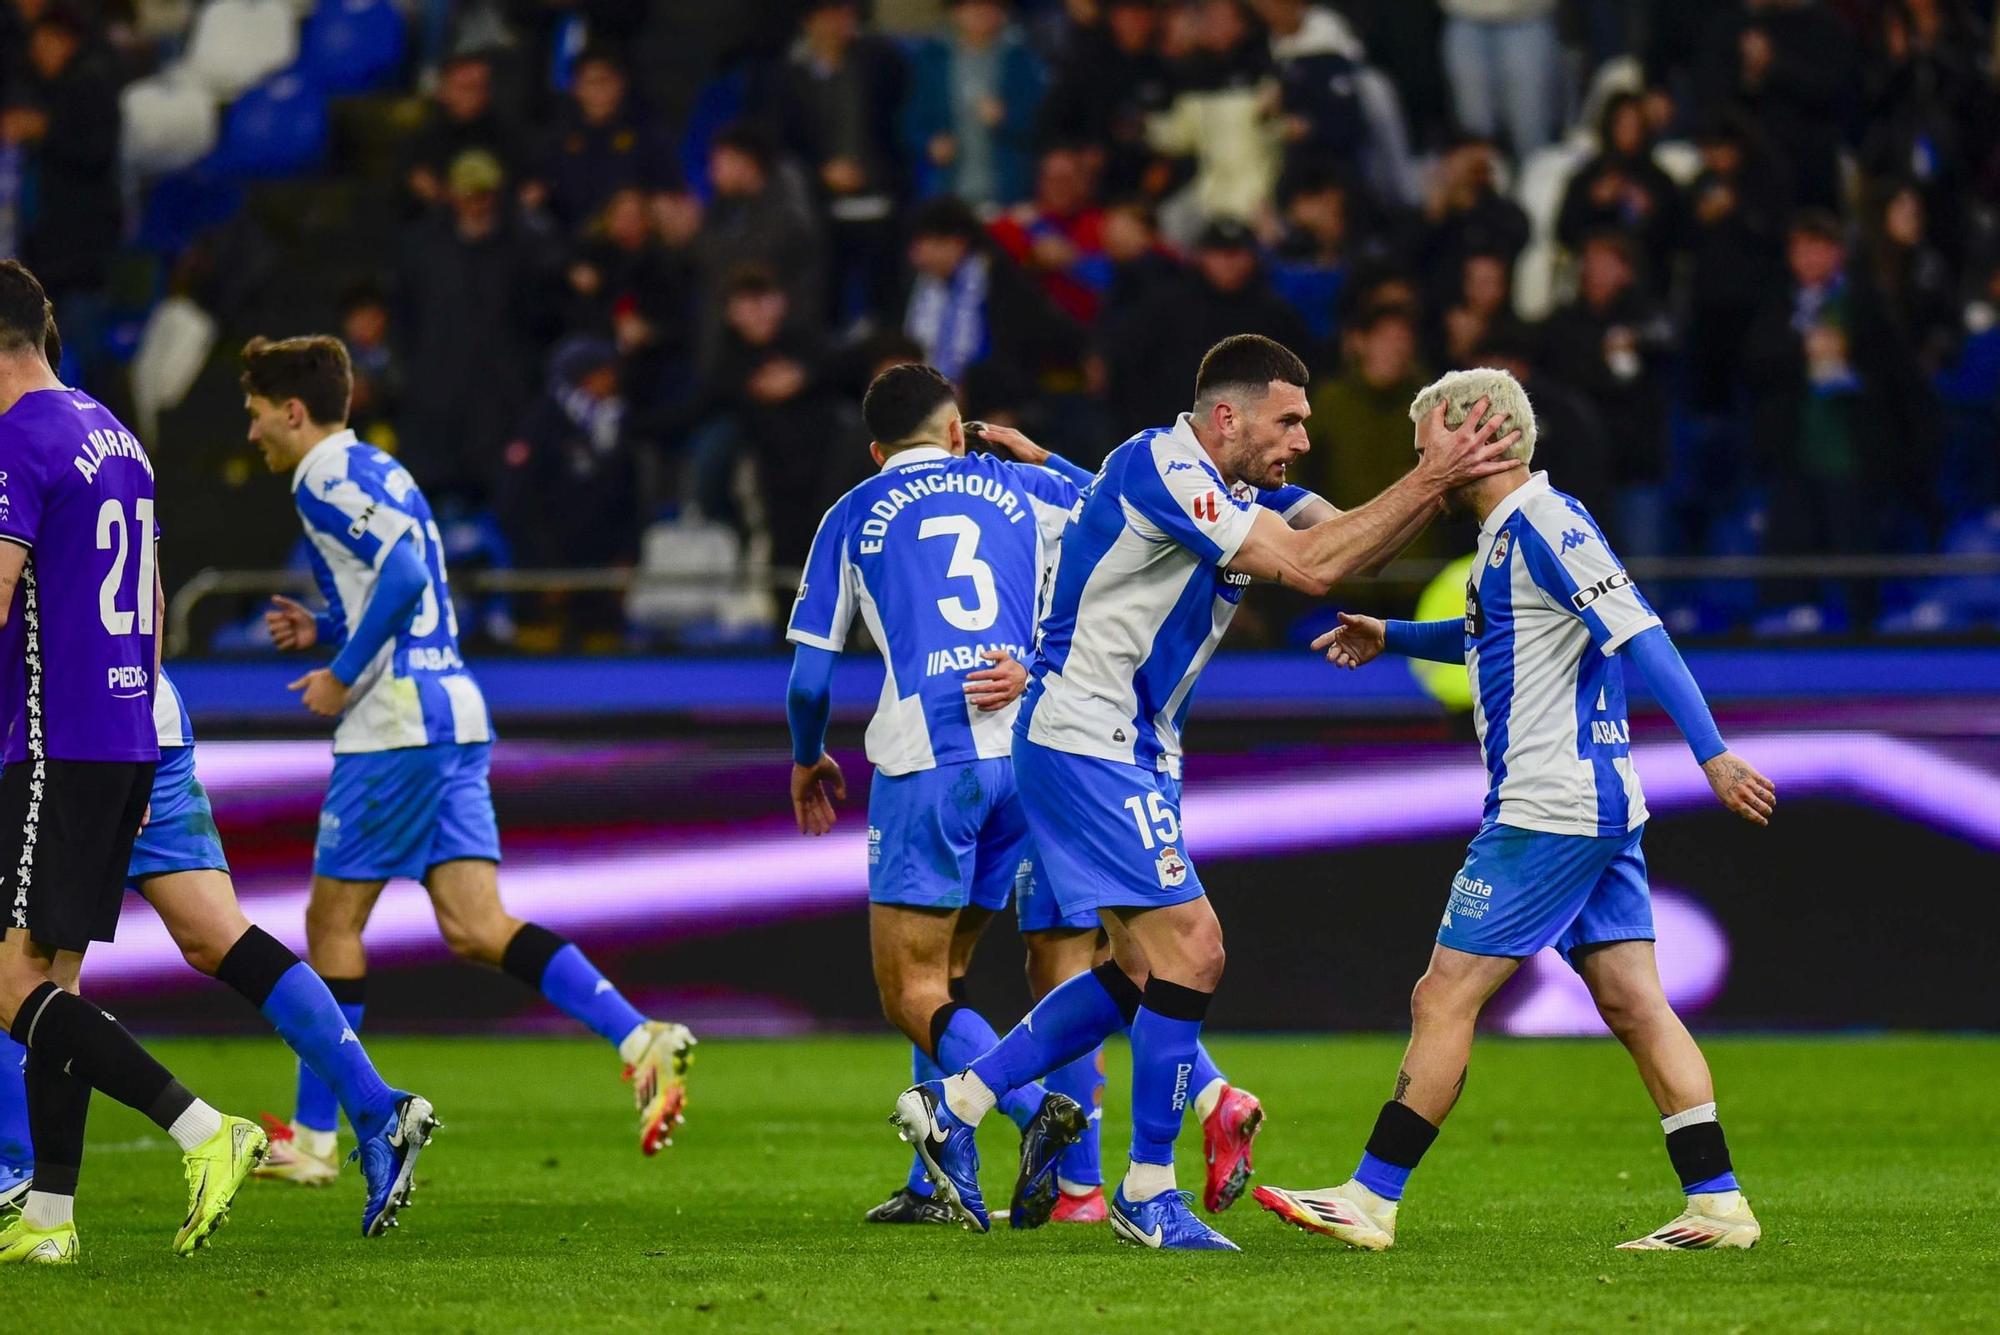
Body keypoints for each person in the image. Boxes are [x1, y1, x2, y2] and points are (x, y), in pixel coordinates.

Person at [891, 333, 1522, 1250]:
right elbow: (1312, 566)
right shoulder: (1164, 462)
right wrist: (1433, 476)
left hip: (1130, 747)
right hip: (1085, 739)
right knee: (1195, 948)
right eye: (1289, 420)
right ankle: (1147, 1189)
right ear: (1228, 415)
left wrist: (1438, 477)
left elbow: (1348, 542)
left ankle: (957, 1101)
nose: (1303, 439)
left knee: (1139, 972)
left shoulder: (1238, 489)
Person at [1254, 366, 1777, 1252]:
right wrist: (1391, 635)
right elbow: (1491, 634)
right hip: (1589, 805)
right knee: (1635, 1003)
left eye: (1430, 448)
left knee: (1442, 994)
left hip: (1548, 809)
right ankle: (1718, 1203)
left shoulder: (1547, 522)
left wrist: (1713, 753)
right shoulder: (1506, 536)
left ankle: (1372, 1196)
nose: (1423, 468)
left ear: (1480, 436)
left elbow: (1642, 632)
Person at [242, 335, 696, 1177]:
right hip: (452, 707)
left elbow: (406, 577)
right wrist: (328, 625)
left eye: (257, 413)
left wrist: (341, 670)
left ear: (293, 411)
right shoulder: (382, 468)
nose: (252, 432)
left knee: (331, 925)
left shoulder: (322, 478)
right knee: (477, 925)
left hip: (396, 724)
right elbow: (406, 585)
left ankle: (312, 1138)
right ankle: (641, 1037)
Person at [786, 363, 1098, 1228]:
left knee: (909, 988)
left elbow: (809, 680)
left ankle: (1035, 1111)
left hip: (930, 765)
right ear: (958, 432)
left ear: (876, 449)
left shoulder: (852, 513)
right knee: (948, 972)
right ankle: (937, 1181)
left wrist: (808, 757)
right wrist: (1050, 459)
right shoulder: (1020, 486)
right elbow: (1128, 519)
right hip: (1024, 761)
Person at [0, 262, 266, 1264]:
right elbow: (150, 602)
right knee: (55, 981)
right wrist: (133, 727)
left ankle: (203, 1128)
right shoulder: (115, 433)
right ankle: (50, 1218)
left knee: (11, 986)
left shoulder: (18, 437)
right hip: (122, 731)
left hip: (53, 739)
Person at [0, 666, 437, 1237]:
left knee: (22, 975)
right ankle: (377, 1107)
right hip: (141, 715)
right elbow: (151, 620)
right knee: (214, 937)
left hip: (69, 732)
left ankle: (25, 1179)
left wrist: (116, 750)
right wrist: (130, 742)